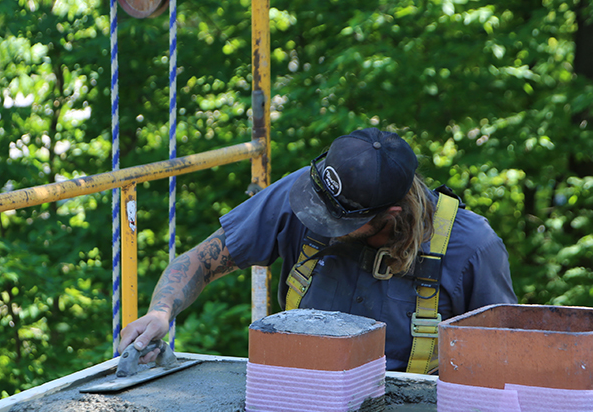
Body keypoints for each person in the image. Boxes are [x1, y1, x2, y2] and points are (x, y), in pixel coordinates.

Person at [119, 128, 517, 372]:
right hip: (299, 396)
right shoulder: (309, 194)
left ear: (390, 213)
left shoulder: (471, 247)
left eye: (336, 220)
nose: (316, 219)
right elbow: (202, 261)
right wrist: (161, 311)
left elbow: (505, 362)